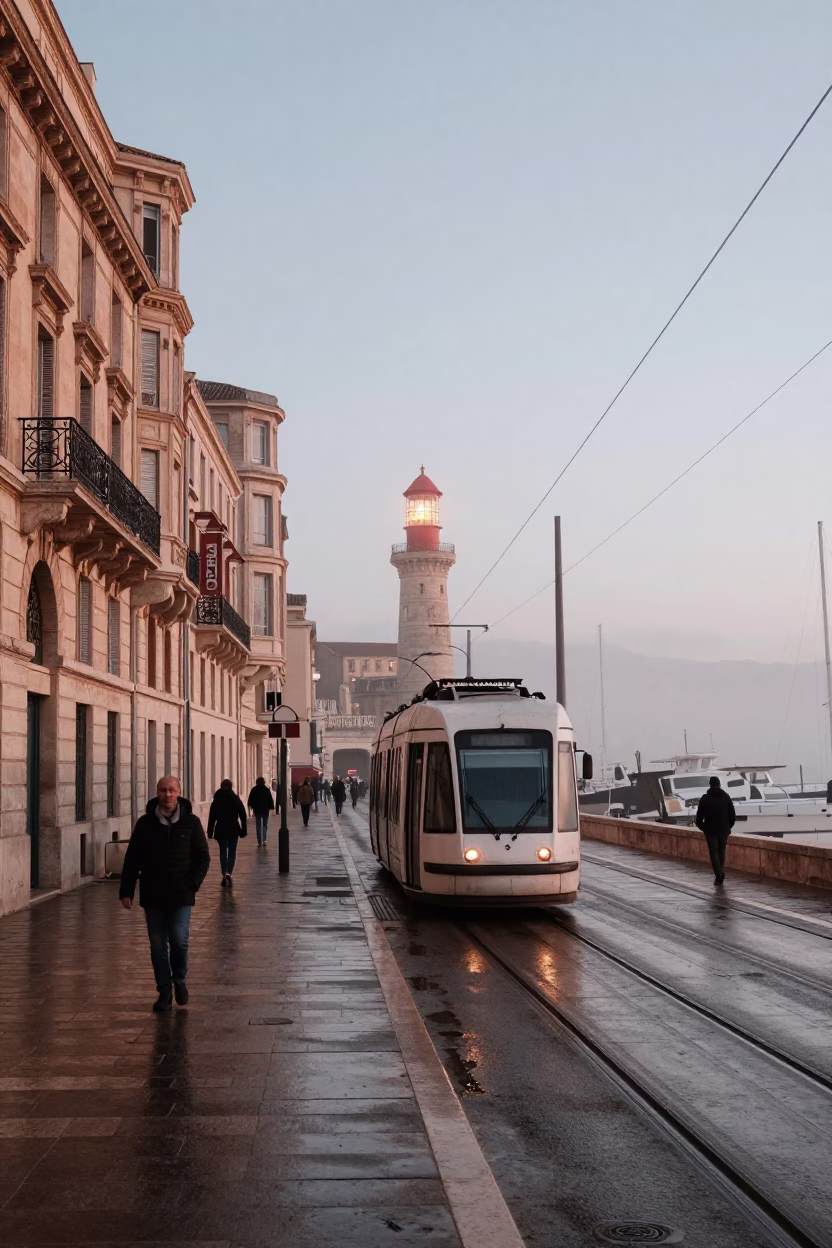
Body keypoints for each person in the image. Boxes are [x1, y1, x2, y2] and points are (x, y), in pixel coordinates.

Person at [119, 776, 210, 1013]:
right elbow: (132, 859)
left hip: (181, 894)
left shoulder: (191, 822)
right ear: (157, 793)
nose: (167, 794)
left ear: (179, 793)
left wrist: (193, 883)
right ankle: (164, 991)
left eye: (171, 790)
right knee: (158, 946)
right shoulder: (145, 823)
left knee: (179, 940)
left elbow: (203, 857)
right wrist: (126, 890)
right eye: (162, 790)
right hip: (153, 894)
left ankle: (179, 979)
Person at [695, 775, 736, 885]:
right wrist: (728, 827)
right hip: (724, 830)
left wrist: (704, 828)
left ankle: (719, 875)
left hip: (710, 830)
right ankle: (720, 872)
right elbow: (732, 816)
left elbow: (699, 818)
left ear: (710, 785)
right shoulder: (726, 797)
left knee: (713, 853)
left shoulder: (705, 798)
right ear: (719, 784)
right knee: (721, 852)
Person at [207, 778, 248, 887]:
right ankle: (229, 873)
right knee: (232, 852)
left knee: (223, 852)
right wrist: (244, 830)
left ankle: (224, 873)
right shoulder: (235, 798)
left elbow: (212, 817)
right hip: (233, 828)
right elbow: (243, 815)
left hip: (220, 828)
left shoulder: (216, 800)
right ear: (230, 786)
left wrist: (210, 831)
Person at [247, 776, 275, 846]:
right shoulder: (266, 790)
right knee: (265, 824)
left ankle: (259, 840)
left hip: (257, 810)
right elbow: (270, 799)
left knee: (258, 825)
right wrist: (271, 807)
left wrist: (251, 806)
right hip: (265, 810)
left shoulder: (254, 789)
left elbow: (250, 799)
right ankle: (264, 838)